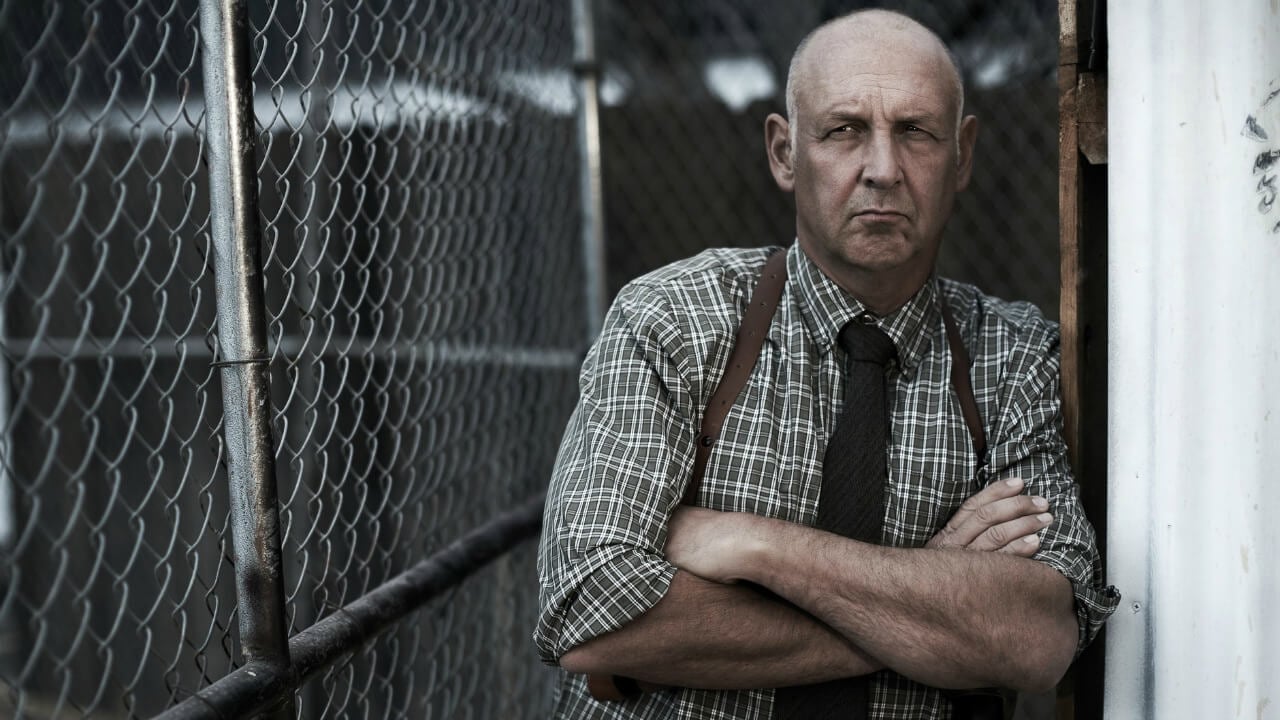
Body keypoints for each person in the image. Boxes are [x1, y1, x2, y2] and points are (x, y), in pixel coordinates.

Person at [535, 8, 1118, 719]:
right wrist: (932, 598)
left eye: (916, 131)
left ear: (962, 155)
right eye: (845, 131)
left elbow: (1035, 637)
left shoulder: (1012, 356)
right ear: (784, 152)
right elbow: (589, 605)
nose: (882, 170)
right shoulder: (675, 320)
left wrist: (757, 547)